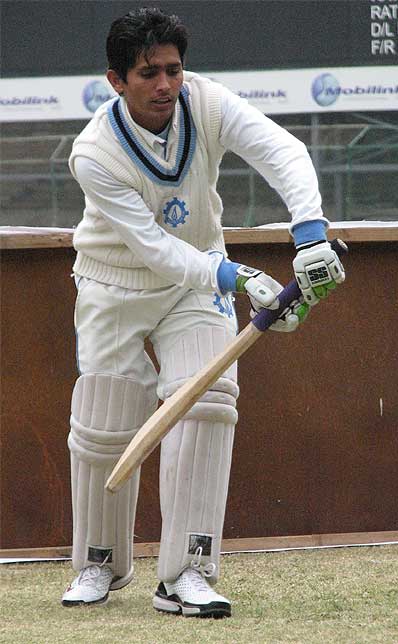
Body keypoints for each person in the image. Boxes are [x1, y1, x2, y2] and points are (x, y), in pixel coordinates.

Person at [61, 7, 345, 618]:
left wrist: (311, 234)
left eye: (173, 70)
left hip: (198, 282)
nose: (165, 85)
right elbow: (154, 249)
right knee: (104, 424)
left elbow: (283, 152)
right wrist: (240, 276)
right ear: (117, 81)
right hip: (114, 285)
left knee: (209, 401)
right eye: (148, 74)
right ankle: (99, 563)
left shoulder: (208, 104)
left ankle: (189, 571)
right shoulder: (93, 154)